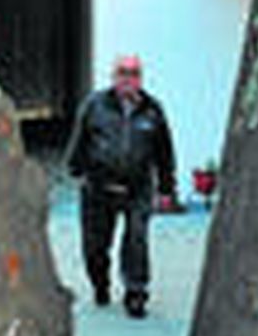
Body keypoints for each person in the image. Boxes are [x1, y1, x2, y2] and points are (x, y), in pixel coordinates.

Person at [65, 54, 176, 318]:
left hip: (138, 187)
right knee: (95, 247)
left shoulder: (153, 110)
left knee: (136, 238)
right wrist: (75, 167)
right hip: (98, 187)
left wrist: (166, 188)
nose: (128, 78)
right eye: (123, 72)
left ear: (140, 78)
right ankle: (100, 283)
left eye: (134, 73)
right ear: (113, 77)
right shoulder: (94, 105)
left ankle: (136, 293)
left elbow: (164, 152)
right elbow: (79, 140)